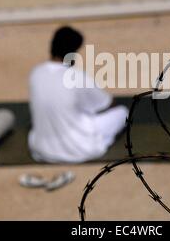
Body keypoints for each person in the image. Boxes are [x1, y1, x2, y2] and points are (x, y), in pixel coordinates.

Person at [28, 26, 128, 163]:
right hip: (78, 149)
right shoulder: (76, 76)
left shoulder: (36, 73)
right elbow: (107, 104)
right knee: (122, 113)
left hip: (42, 149)